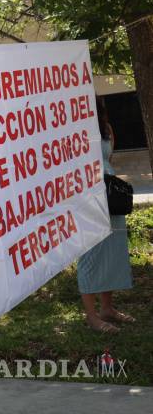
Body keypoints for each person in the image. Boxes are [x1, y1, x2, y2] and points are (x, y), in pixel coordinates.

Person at [78, 97, 134, 333]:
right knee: (91, 252)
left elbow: (108, 159)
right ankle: (92, 316)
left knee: (112, 249)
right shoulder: (75, 129)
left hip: (110, 192)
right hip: (88, 193)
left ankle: (107, 308)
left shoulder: (106, 128)